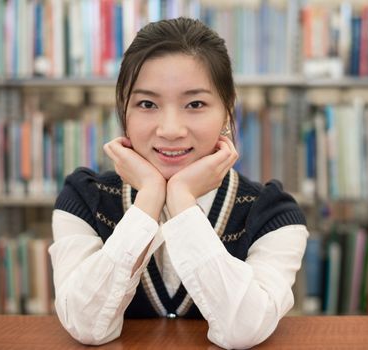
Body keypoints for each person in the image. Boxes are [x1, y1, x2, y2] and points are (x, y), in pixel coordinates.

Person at [49, 17, 308, 349]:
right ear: (123, 111)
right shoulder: (84, 199)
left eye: (195, 104)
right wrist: (150, 199)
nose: (170, 129)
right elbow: (85, 325)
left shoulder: (272, 213)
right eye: (147, 104)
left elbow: (244, 330)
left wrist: (182, 199)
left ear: (228, 111)